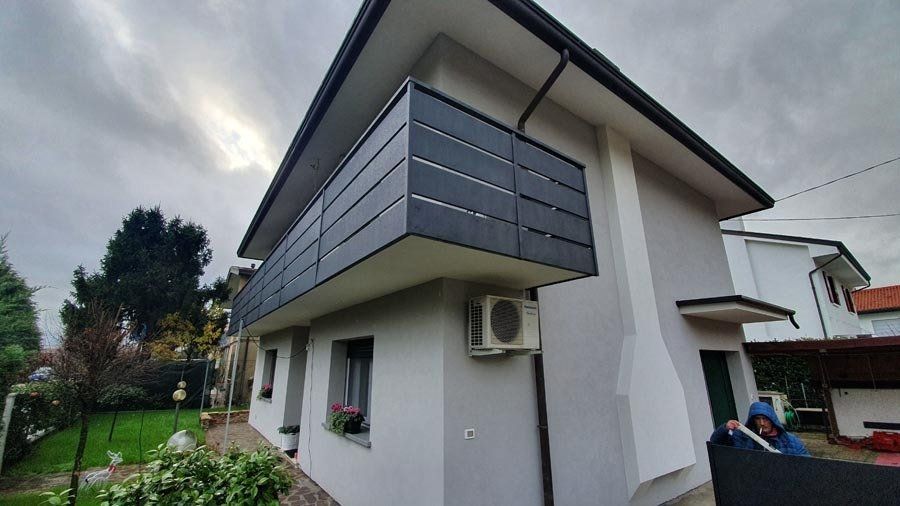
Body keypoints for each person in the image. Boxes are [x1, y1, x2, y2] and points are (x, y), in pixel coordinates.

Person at [710, 401, 810, 456]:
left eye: (765, 419)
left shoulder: (790, 440)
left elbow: (806, 464)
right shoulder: (743, 437)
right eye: (758, 419)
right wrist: (725, 428)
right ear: (753, 420)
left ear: (772, 419)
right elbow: (715, 442)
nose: (762, 423)